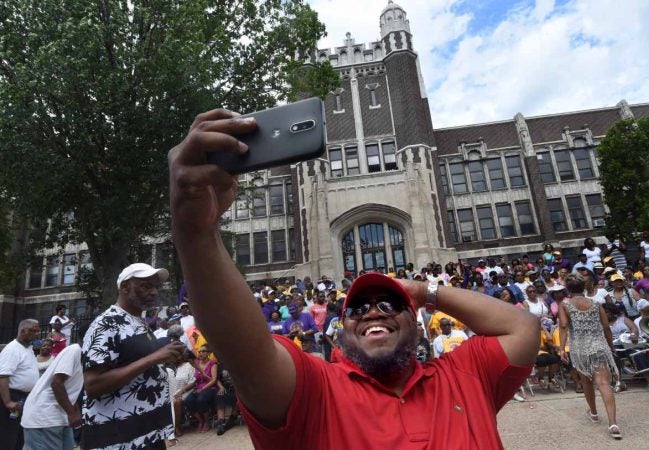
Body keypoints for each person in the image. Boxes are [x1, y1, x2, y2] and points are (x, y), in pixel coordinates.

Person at [168, 110, 540, 449]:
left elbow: (522, 329)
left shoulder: (464, 376)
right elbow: (245, 354)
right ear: (341, 331)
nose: (373, 312)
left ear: (416, 320)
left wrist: (426, 291)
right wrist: (196, 232)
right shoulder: (317, 393)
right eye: (358, 307)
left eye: (389, 303)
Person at [81, 263, 185, 450]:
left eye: (155, 287)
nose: (153, 292)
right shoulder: (106, 323)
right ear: (125, 287)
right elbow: (93, 384)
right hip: (119, 440)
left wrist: (165, 358)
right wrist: (153, 359)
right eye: (146, 286)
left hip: (147, 433)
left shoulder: (138, 322)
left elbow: (135, 363)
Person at [558, 273, 621, 440]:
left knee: (586, 381)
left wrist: (562, 348)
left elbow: (563, 326)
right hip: (599, 346)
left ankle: (593, 413)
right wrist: (611, 345)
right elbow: (606, 327)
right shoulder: (595, 304)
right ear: (584, 287)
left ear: (567, 289)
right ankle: (613, 423)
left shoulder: (565, 305)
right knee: (604, 383)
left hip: (579, 348)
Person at [21, 342, 83, 450]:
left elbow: (70, 387)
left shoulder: (84, 356)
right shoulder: (74, 350)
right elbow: (57, 383)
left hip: (60, 417)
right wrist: (72, 413)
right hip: (44, 417)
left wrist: (75, 409)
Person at [0, 319, 41, 450]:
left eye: (37, 331)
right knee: (7, 436)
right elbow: (3, 376)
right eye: (34, 331)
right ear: (23, 331)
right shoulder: (12, 349)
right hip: (13, 396)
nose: (37, 334)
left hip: (24, 398)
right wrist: (7, 401)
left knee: (19, 436)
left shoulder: (28, 348)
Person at [184, 345, 218, 433]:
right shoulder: (197, 364)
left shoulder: (212, 363)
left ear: (208, 353)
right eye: (199, 352)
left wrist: (203, 386)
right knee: (188, 400)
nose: (201, 353)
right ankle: (200, 421)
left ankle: (207, 422)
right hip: (198, 388)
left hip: (210, 387)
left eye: (203, 351)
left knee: (200, 400)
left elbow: (214, 380)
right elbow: (195, 380)